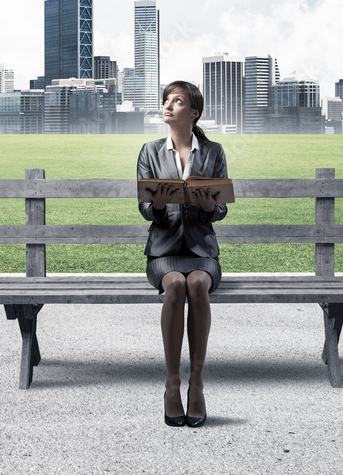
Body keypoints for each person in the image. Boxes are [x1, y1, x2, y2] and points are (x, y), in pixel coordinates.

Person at [137, 80, 227, 428]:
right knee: (175, 284)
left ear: (194, 112)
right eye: (166, 101)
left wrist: (209, 209)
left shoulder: (214, 152)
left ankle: (198, 384)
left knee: (198, 284)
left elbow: (221, 208)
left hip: (202, 251)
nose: (168, 106)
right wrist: (157, 206)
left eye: (177, 101)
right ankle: (172, 384)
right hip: (164, 252)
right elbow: (146, 209)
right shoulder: (149, 151)